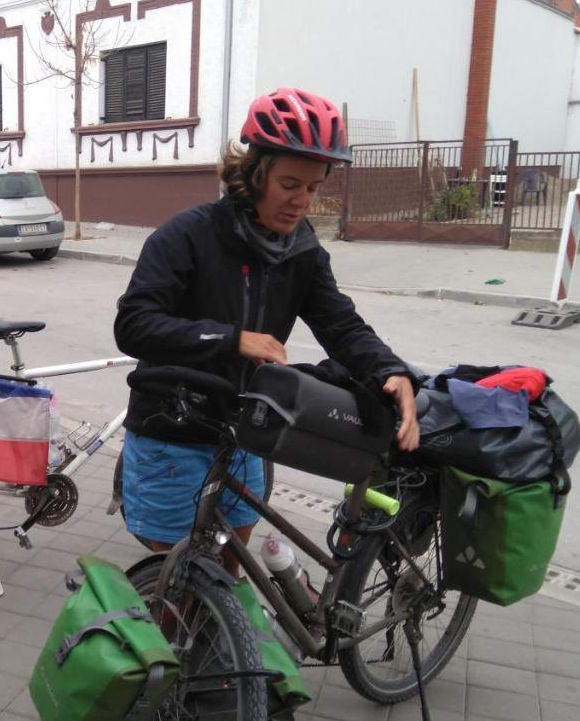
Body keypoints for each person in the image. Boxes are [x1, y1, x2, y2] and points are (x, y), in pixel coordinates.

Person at [114, 87, 419, 566]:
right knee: (175, 579)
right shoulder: (189, 234)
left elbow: (339, 323)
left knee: (231, 564)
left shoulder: (302, 250)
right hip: (172, 431)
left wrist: (390, 370)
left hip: (245, 432)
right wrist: (231, 339)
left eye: (314, 187)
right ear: (255, 174)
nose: (302, 201)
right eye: (290, 184)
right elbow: (134, 325)